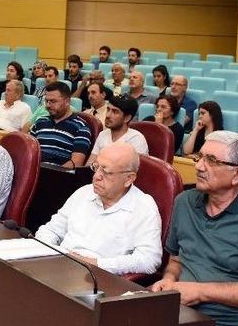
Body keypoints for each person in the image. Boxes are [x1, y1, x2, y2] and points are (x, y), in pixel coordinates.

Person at [151, 131, 238, 326]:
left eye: (211, 160)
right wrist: (169, 279)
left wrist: (201, 292)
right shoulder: (184, 202)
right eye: (200, 157)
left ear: (237, 174)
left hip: (235, 321)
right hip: (183, 313)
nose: (199, 166)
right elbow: (176, 259)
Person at [36, 142, 162, 275]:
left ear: (128, 179)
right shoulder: (84, 192)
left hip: (100, 277)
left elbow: (149, 260)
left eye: (106, 172)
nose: (96, 176)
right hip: (59, 266)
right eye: (96, 167)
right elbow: (51, 230)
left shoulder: (143, 207)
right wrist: (50, 252)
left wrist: (96, 264)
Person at [30, 81, 92, 168]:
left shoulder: (81, 127)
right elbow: (29, 151)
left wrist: (50, 172)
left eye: (53, 101)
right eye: (46, 101)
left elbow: (76, 163)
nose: (48, 105)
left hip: (59, 173)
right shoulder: (40, 122)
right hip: (33, 170)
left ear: (67, 101)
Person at [87, 94, 149, 164]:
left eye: (115, 112)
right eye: (108, 109)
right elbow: (90, 164)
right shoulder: (102, 134)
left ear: (127, 118)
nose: (108, 115)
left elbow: (134, 169)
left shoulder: (136, 139)